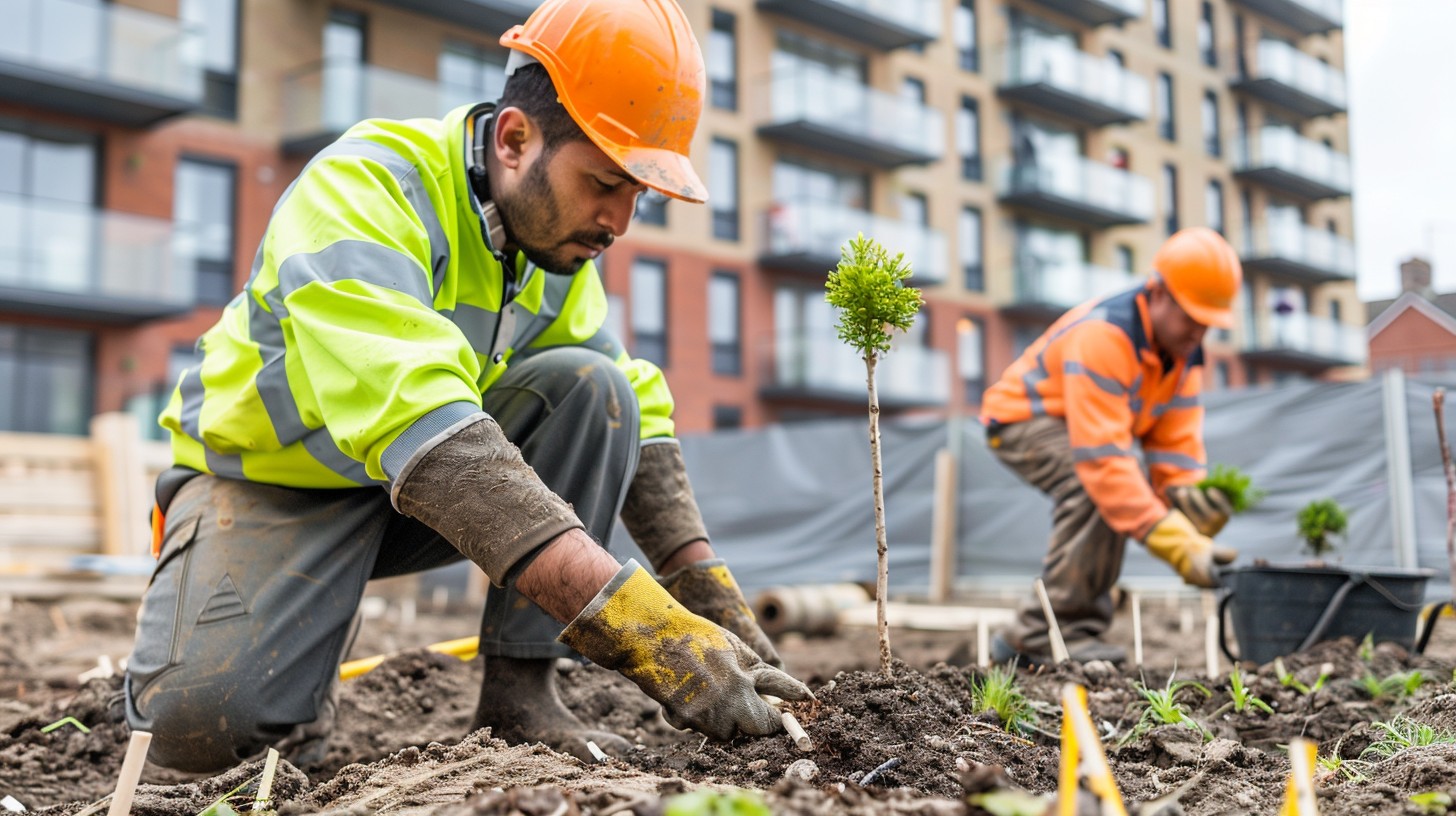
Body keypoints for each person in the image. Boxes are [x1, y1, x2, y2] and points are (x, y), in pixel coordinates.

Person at [123, 0, 809, 773]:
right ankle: (294, 650)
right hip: (269, 485)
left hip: (403, 493)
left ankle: (521, 697)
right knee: (193, 729)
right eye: (605, 182)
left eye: (638, 195)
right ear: (515, 138)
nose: (620, 220)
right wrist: (640, 627)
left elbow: (631, 412)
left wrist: (709, 602)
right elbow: (423, 421)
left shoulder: (552, 247)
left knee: (596, 386)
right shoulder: (368, 187)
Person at [980, 227, 1243, 666]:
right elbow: (1103, 463)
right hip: (1020, 418)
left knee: (1113, 489)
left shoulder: (1181, 361)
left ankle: (1042, 634)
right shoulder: (1105, 336)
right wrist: (1178, 546)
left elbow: (1174, 454)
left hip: (1079, 429)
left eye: (1208, 323)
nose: (1199, 332)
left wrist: (1190, 504)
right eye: (1191, 317)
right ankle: (1044, 636)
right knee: (1095, 488)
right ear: (1157, 293)